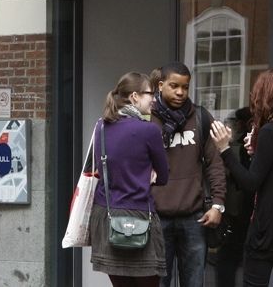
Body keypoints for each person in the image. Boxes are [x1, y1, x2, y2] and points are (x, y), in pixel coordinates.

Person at [209, 69, 273, 287]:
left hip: (269, 228)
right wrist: (256, 152)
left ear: (265, 96)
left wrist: (225, 149)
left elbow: (251, 182)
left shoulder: (270, 131)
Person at [144, 63, 227, 287]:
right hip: (156, 217)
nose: (180, 92)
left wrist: (218, 204)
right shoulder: (147, 120)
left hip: (195, 217)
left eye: (185, 87)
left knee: (194, 282)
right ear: (160, 85)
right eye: (174, 86)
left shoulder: (200, 117)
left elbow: (214, 164)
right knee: (158, 283)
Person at [88, 72, 170, 287]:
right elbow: (163, 176)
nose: (154, 98)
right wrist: (148, 174)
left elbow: (100, 167)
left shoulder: (101, 127)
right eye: (150, 93)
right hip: (139, 216)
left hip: (106, 215)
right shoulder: (149, 131)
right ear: (134, 96)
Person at [213, 107, 253, 287]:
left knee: (228, 256)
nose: (233, 125)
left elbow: (243, 179)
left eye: (236, 122)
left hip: (241, 210)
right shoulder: (243, 145)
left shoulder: (241, 147)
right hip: (243, 210)